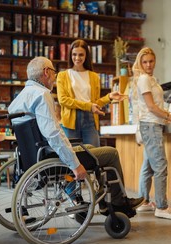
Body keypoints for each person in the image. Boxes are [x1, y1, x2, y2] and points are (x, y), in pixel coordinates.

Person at [8, 56, 143, 216]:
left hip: (34, 156)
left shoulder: (20, 98)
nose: (55, 76)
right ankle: (118, 203)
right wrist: (74, 164)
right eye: (53, 72)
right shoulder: (42, 95)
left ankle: (104, 201)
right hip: (51, 157)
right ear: (46, 72)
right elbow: (53, 134)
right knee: (111, 153)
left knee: (91, 148)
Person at [132, 47, 171, 220]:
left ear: (155, 61)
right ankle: (161, 207)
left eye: (151, 61)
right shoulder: (145, 79)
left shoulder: (151, 79)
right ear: (140, 62)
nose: (148, 65)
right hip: (151, 126)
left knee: (148, 166)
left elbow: (156, 104)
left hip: (152, 125)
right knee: (160, 166)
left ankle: (145, 202)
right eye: (145, 62)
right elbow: (151, 107)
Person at [56, 39, 126, 147]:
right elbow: (63, 100)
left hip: (90, 120)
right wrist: (89, 106)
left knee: (94, 156)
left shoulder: (94, 76)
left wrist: (109, 97)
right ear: (70, 55)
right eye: (74, 54)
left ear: (86, 56)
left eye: (81, 55)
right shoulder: (62, 75)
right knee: (73, 158)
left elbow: (95, 103)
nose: (77, 58)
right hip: (70, 122)